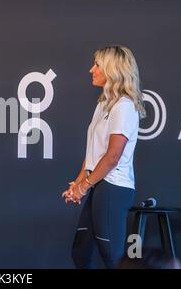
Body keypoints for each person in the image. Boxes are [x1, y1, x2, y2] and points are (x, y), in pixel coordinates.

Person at [61, 45, 146, 268]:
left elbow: (112, 156)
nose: (91, 69)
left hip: (114, 188)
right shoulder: (103, 104)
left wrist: (85, 186)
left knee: (112, 256)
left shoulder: (125, 106)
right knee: (81, 253)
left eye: (97, 65)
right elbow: (94, 154)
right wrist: (79, 182)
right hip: (99, 185)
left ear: (112, 70)